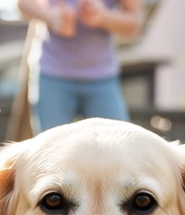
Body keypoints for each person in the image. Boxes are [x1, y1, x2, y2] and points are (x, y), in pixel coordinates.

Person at [17, 0, 141, 132]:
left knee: (117, 141)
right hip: (53, 76)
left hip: (103, 79)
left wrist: (103, 16)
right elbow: (22, 4)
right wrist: (52, 18)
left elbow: (135, 24)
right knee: (52, 149)